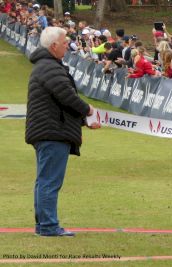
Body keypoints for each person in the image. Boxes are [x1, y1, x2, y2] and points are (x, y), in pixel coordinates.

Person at [26, 27, 100, 237]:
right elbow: (67, 96)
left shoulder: (46, 66)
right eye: (65, 42)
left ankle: (44, 225)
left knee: (45, 180)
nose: (68, 46)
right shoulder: (49, 67)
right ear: (54, 46)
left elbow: (60, 102)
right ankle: (48, 226)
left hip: (48, 130)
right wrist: (88, 110)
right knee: (49, 181)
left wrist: (84, 121)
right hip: (52, 132)